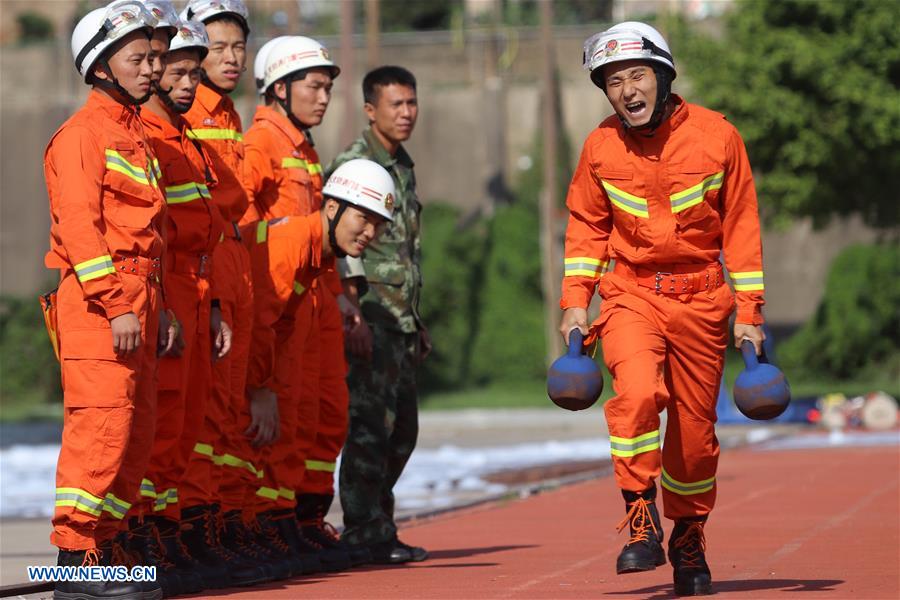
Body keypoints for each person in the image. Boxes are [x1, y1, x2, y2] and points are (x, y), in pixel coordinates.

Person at [559, 21, 766, 597]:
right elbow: (586, 228)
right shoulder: (600, 146)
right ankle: (640, 512)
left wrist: (750, 311)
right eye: (614, 81)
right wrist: (575, 302)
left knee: (695, 437)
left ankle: (689, 536)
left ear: (664, 76)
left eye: (637, 75)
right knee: (636, 395)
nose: (627, 90)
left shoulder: (718, 137)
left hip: (703, 301)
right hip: (631, 294)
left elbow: (742, 227)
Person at [45, 2, 168, 598]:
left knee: (134, 433)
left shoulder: (134, 134)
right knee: (101, 427)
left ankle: (108, 547)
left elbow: (152, 233)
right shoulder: (82, 135)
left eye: (153, 59)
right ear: (99, 67)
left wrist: (159, 307)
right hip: (102, 305)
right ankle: (74, 561)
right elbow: (80, 230)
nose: (152, 69)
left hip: (141, 297)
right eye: (137, 59)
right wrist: (117, 304)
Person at [240, 35, 361, 571]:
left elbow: (320, 238)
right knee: (284, 416)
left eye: (328, 88)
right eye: (314, 86)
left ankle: (306, 519)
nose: (324, 97)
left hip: (314, 300)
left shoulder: (303, 149)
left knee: (323, 413)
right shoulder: (261, 144)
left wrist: (339, 298)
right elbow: (246, 230)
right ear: (280, 88)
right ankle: (272, 523)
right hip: (280, 300)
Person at [175, 0, 281, 581]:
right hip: (207, 266)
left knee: (228, 409)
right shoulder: (186, 109)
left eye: (238, 47)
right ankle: (192, 531)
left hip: (236, 268)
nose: (231, 57)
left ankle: (222, 525)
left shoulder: (227, 114)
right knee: (204, 410)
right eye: (217, 47)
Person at [328, 65, 430, 564]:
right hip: (369, 315)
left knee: (401, 431)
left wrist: (417, 321)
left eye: (411, 103)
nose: (406, 113)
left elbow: (407, 250)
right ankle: (363, 530)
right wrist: (350, 307)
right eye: (396, 104)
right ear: (371, 110)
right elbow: (341, 240)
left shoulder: (402, 164)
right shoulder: (356, 163)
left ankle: (379, 524)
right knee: (369, 427)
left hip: (400, 320)